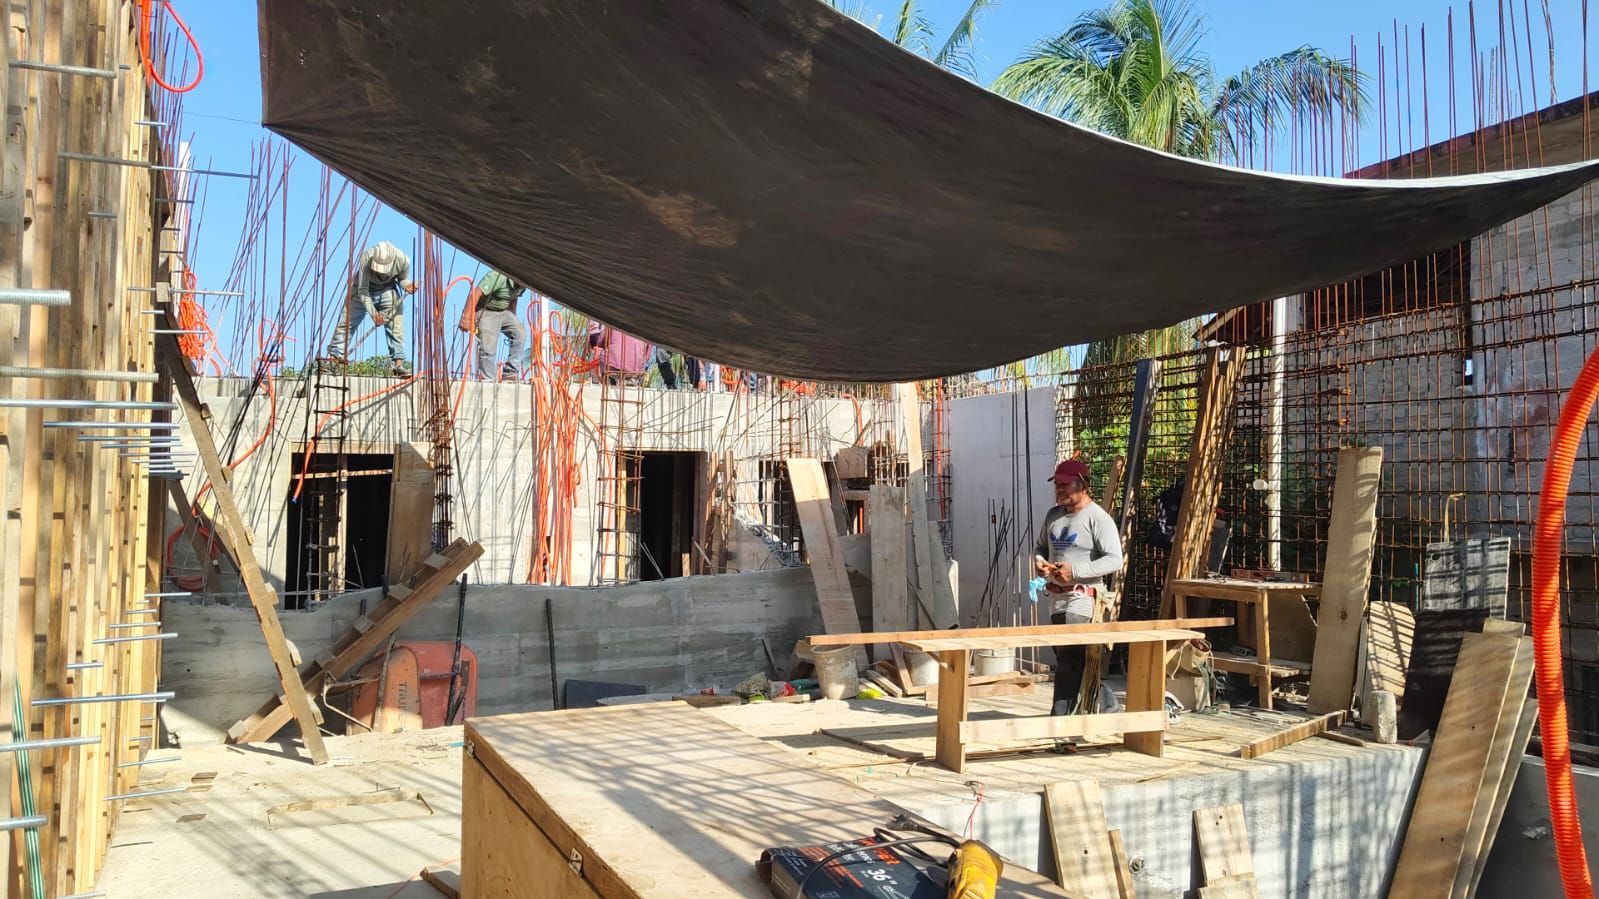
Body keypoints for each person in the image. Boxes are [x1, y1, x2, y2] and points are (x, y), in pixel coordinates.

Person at [1033, 458, 1123, 717]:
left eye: (1065, 484)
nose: (1060, 489)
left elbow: (1114, 558)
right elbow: (1040, 547)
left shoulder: (1098, 519)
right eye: (1057, 484)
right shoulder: (1053, 516)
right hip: (1056, 600)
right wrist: (1040, 562)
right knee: (1069, 660)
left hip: (1082, 600)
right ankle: (1106, 702)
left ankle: (1061, 723)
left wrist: (1076, 572)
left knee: (1069, 663)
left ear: (1083, 485)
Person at [326, 240, 416, 376]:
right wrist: (374, 314)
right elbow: (363, 290)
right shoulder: (366, 258)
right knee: (347, 323)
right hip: (362, 290)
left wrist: (407, 285)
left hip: (386, 290)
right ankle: (333, 359)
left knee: (396, 325)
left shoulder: (403, 260)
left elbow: (402, 279)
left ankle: (398, 363)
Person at [460, 269, 528, 379]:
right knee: (488, 344)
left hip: (504, 312)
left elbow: (514, 298)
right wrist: (466, 319)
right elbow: (476, 293)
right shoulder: (498, 277)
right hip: (485, 311)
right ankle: (488, 378)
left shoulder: (523, 284)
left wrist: (512, 319)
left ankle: (510, 372)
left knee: (520, 333)